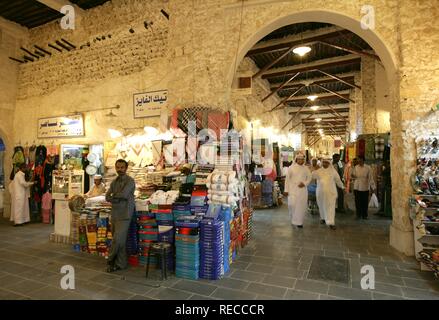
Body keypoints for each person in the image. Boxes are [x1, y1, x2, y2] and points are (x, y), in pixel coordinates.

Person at [105, 159, 136, 272]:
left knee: (117, 239)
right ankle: (121, 264)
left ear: (126, 168)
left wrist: (115, 196)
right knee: (120, 241)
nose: (120, 170)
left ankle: (110, 259)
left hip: (125, 214)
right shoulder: (114, 182)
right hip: (115, 214)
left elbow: (124, 194)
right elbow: (107, 197)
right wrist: (116, 196)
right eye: (118, 167)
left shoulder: (130, 181)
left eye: (122, 167)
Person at [313, 157, 345, 230]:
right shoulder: (318, 171)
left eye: (326, 162)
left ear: (329, 163)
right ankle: (323, 218)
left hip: (331, 193)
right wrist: (314, 168)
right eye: (323, 162)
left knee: (331, 207)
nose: (325, 164)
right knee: (321, 206)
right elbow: (311, 176)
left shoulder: (333, 171)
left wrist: (343, 187)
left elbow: (338, 180)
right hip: (320, 193)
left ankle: (331, 222)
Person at [284, 154, 312, 228]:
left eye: (302, 159)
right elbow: (287, 180)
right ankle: (293, 219)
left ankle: (299, 222)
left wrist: (304, 184)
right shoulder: (291, 168)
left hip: (302, 190)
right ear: (296, 160)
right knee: (292, 204)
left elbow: (309, 177)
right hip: (292, 189)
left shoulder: (306, 168)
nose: (301, 161)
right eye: (299, 159)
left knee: (301, 206)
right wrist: (286, 190)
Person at [351, 155, 376, 220]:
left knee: (364, 202)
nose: (359, 161)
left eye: (360, 160)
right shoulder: (355, 167)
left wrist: (373, 187)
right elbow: (352, 176)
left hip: (365, 186)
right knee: (357, 201)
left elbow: (370, 177)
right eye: (358, 160)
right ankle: (358, 215)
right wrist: (352, 176)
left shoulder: (368, 167)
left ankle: (365, 215)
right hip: (357, 186)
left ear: (363, 160)